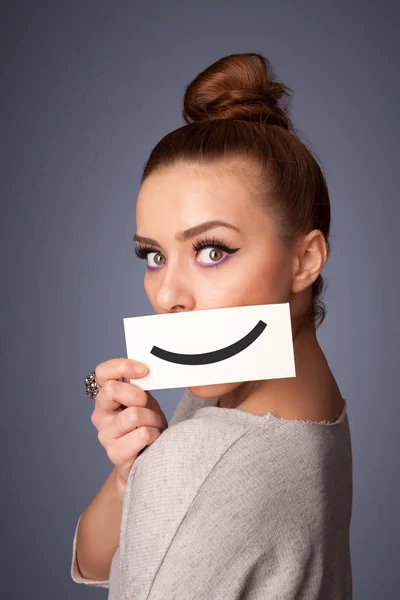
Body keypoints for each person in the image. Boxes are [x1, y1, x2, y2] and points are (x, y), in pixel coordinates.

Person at [71, 52, 352, 598]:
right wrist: (135, 471)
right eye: (153, 256)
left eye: (212, 250)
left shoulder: (201, 458)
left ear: (305, 260)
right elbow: (98, 559)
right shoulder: (306, 402)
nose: (169, 295)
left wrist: (163, 474)